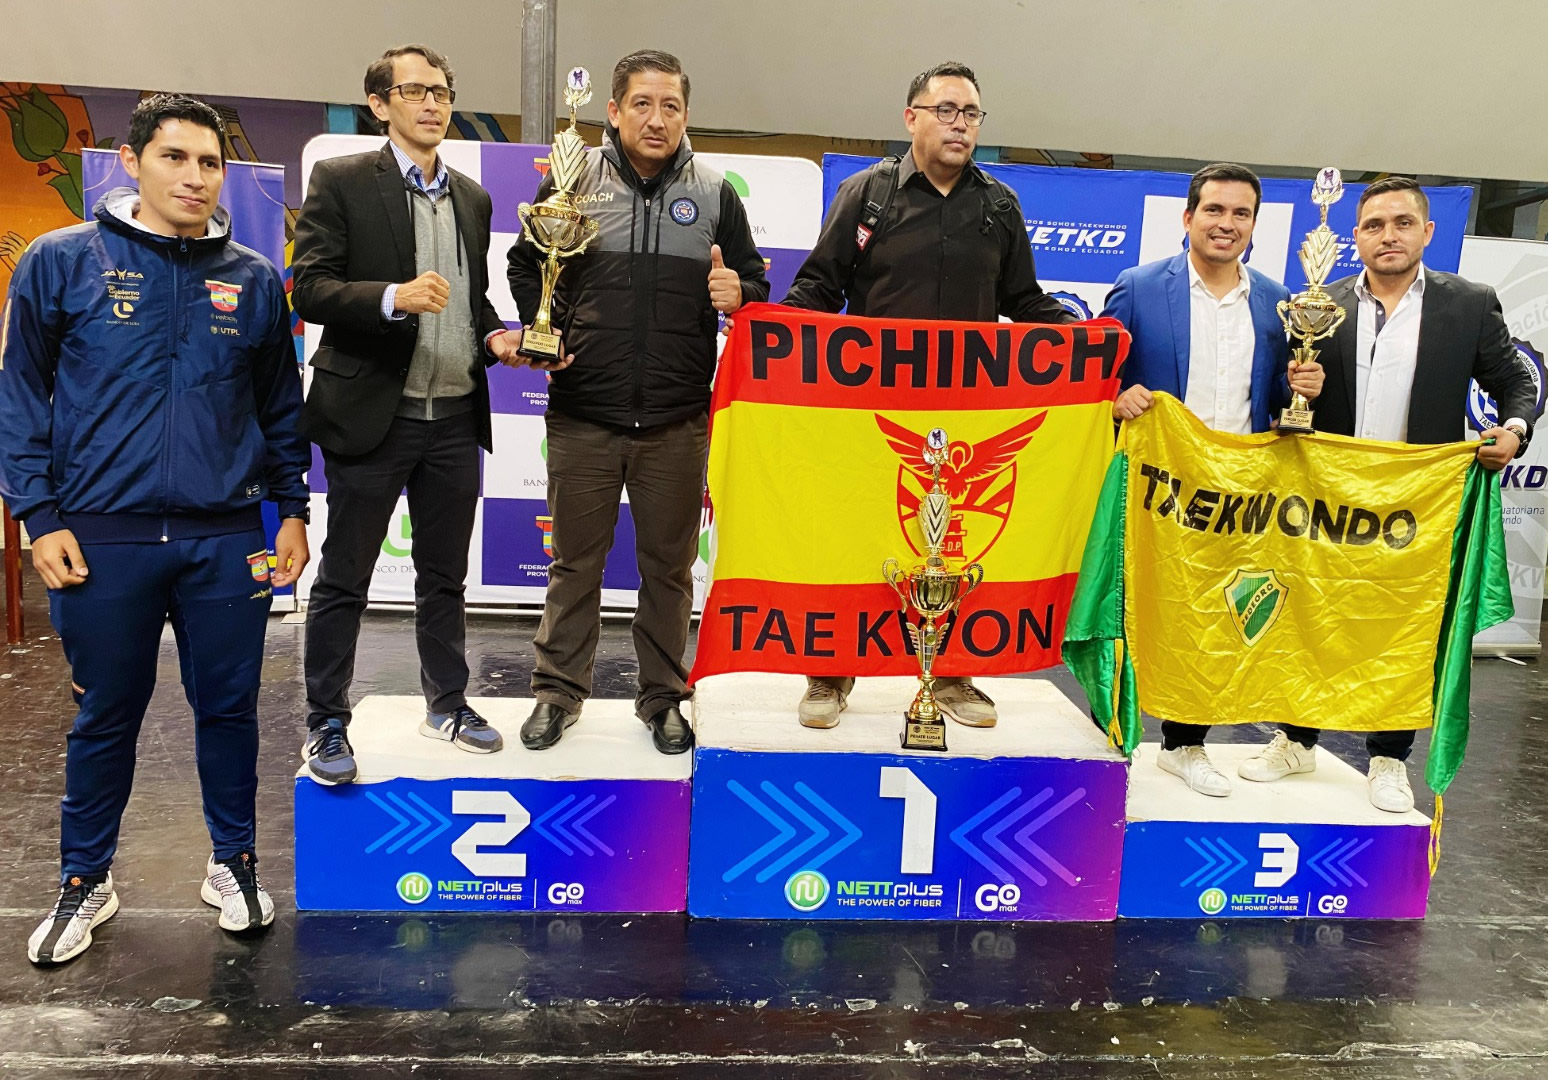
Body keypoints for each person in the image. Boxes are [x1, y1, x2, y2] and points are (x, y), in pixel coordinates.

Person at [0, 94, 310, 963]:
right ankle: (84, 879)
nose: (195, 177)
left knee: (231, 708)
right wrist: (37, 516)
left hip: (227, 536)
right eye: (175, 158)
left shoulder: (254, 277)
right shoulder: (62, 261)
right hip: (102, 535)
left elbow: (280, 408)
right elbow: (19, 396)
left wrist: (292, 508)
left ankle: (233, 862)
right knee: (106, 713)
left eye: (210, 163)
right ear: (131, 161)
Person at [781, 60, 1074, 729]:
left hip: (963, 420)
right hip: (872, 415)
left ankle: (950, 674)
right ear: (911, 117)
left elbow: (1024, 301)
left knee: (955, 549)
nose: (959, 124)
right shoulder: (866, 195)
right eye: (946, 110)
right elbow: (818, 288)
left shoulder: (999, 205)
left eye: (970, 113)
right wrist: (765, 336)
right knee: (856, 541)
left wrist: (1091, 341)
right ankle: (830, 671)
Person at [1238, 175, 1537, 812]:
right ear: (1356, 237)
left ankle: (1389, 756)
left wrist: (1513, 428)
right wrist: (1296, 389)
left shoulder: (1469, 303)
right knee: (1308, 615)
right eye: (1374, 225)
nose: (1388, 236)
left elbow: (1517, 381)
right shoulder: (1319, 304)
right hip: (1324, 499)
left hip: (1416, 502)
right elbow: (1279, 398)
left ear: (1427, 231)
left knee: (1403, 627)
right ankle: (1296, 739)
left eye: (1402, 223)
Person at [507, 50, 768, 755]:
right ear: (614, 111)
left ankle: (663, 698)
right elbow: (526, 263)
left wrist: (739, 293)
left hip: (677, 422)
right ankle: (558, 692)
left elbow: (754, 282)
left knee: (669, 573)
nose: (657, 119)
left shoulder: (715, 194)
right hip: (583, 414)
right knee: (575, 567)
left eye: (671, 105)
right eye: (642, 104)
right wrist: (545, 327)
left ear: (686, 114)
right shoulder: (573, 180)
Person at [293, 44, 524, 785]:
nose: (432, 104)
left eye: (443, 92)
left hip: (454, 416)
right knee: (344, 579)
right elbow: (310, 289)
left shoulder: (473, 198)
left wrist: (498, 337)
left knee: (445, 578)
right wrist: (393, 297)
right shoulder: (341, 180)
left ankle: (447, 704)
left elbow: (471, 301)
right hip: (374, 414)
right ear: (379, 104)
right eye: (415, 91)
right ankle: (326, 720)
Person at [1102, 163, 1321, 797]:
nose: (1227, 224)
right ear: (1188, 217)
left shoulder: (1279, 301)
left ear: (1254, 224)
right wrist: (1113, 399)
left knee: (1214, 616)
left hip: (1240, 495)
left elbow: (1277, 398)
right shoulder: (1139, 287)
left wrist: (1301, 390)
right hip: (1157, 490)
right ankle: (1110, 738)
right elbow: (1095, 374)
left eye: (1241, 213)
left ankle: (1184, 743)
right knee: (1138, 610)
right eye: (1215, 210)